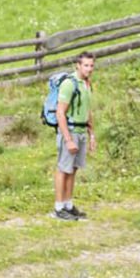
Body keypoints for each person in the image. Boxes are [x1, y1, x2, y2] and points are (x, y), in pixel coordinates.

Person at [52, 52, 97, 221]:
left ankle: (68, 205)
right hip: (70, 131)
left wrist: (92, 134)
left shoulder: (87, 83)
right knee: (63, 169)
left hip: (81, 131)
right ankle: (58, 208)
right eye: (86, 65)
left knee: (73, 169)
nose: (89, 69)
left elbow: (88, 110)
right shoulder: (69, 84)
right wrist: (68, 139)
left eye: (91, 65)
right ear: (77, 65)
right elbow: (60, 113)